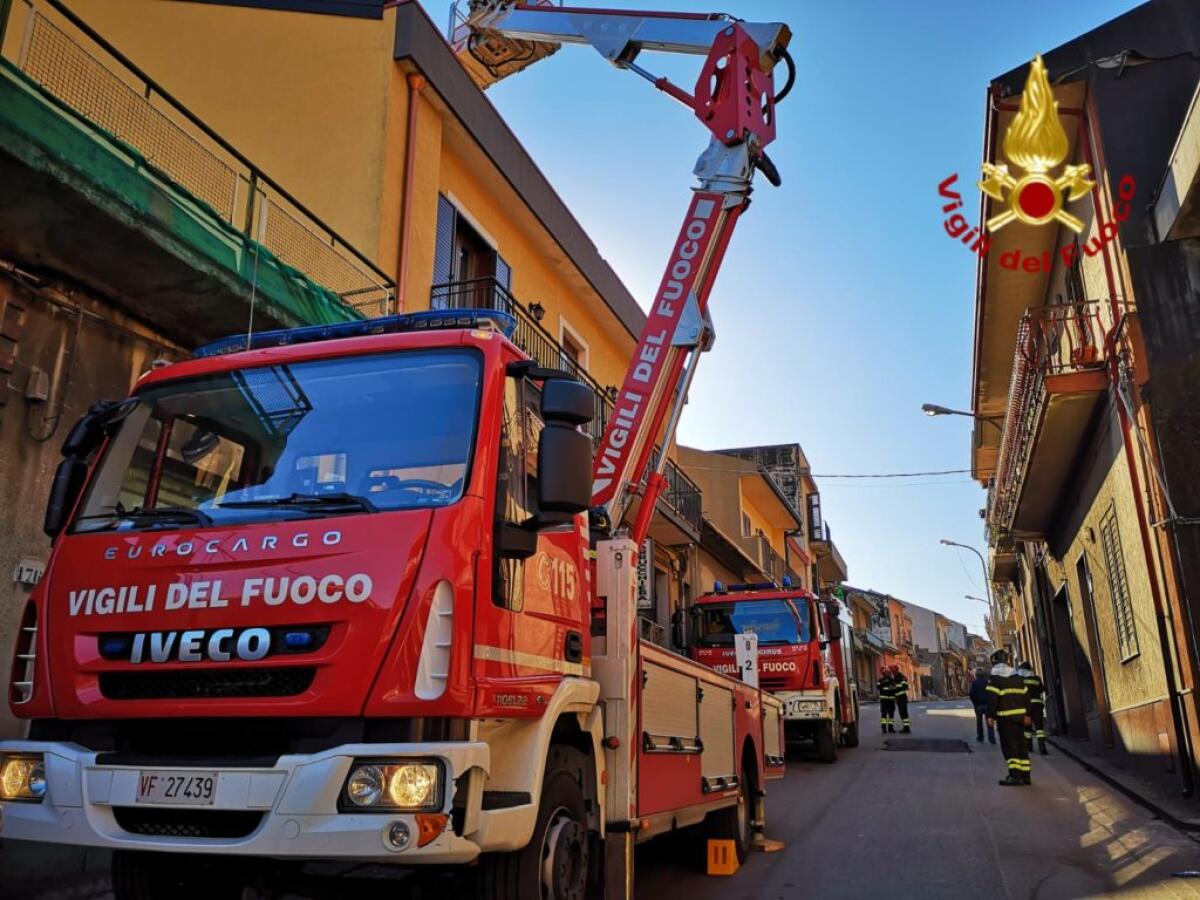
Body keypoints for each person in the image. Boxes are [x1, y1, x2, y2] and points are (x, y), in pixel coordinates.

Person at [986, 648, 1031, 786]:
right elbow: (1027, 698)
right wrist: (1027, 714)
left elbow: (992, 700)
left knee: (1009, 747)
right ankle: (1026, 776)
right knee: (1021, 746)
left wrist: (990, 716)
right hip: (1020, 719)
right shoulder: (1018, 678)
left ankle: (1015, 776)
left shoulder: (995, 679)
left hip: (1005, 720)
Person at [1016, 659, 1048, 755]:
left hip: (1026, 707)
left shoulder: (1019, 680)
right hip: (1037, 706)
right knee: (1039, 728)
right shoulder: (1036, 678)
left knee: (1027, 728)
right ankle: (1043, 749)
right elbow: (1042, 689)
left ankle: (1029, 747)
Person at [968, 667, 995, 744]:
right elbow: (991, 694)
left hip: (978, 705)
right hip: (987, 705)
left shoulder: (975, 683)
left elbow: (971, 694)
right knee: (989, 721)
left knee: (979, 722)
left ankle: (980, 737)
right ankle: (991, 738)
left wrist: (975, 702)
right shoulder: (988, 682)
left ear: (976, 675)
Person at [891, 664, 912, 733]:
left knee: (904, 712)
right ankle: (905, 727)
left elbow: (905, 686)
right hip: (898, 698)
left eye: (894, 672)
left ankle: (907, 728)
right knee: (901, 713)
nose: (893, 673)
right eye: (892, 672)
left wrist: (896, 687)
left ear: (896, 671)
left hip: (902, 697)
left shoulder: (902, 677)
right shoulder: (895, 677)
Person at [878, 664, 896, 734]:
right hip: (884, 700)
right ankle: (884, 728)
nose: (889, 674)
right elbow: (878, 686)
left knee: (891, 715)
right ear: (885, 673)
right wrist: (885, 685)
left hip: (890, 700)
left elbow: (895, 688)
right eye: (887, 673)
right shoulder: (881, 680)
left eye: (889, 673)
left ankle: (890, 728)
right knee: (884, 715)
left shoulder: (892, 680)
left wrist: (892, 687)